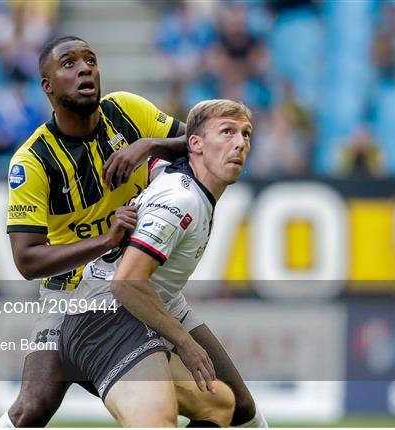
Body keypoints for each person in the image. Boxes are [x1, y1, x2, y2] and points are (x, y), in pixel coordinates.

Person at [0, 36, 263, 428]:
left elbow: (201, 143)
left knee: (238, 406)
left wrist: (148, 144)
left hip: (145, 287)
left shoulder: (126, 110)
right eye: (69, 64)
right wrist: (106, 240)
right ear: (47, 85)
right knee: (32, 407)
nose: (85, 68)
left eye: (91, 60)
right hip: (76, 299)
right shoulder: (33, 161)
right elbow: (27, 260)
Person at [60, 99, 267, 427]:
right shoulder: (180, 201)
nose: (240, 143)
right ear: (195, 144)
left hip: (150, 305)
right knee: (157, 423)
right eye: (227, 132)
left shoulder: (180, 178)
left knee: (224, 403)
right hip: (103, 318)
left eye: (246, 134)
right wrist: (185, 343)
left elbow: (161, 155)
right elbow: (126, 283)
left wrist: (147, 144)